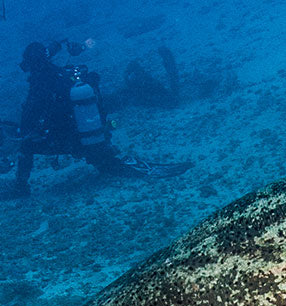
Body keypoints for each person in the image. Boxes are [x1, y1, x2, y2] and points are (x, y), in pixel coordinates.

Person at [1, 40, 191, 198]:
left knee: (26, 146)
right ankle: (140, 86)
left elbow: (27, 127)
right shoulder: (64, 73)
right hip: (94, 134)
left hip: (74, 142)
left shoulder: (39, 87)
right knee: (121, 102)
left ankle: (20, 188)